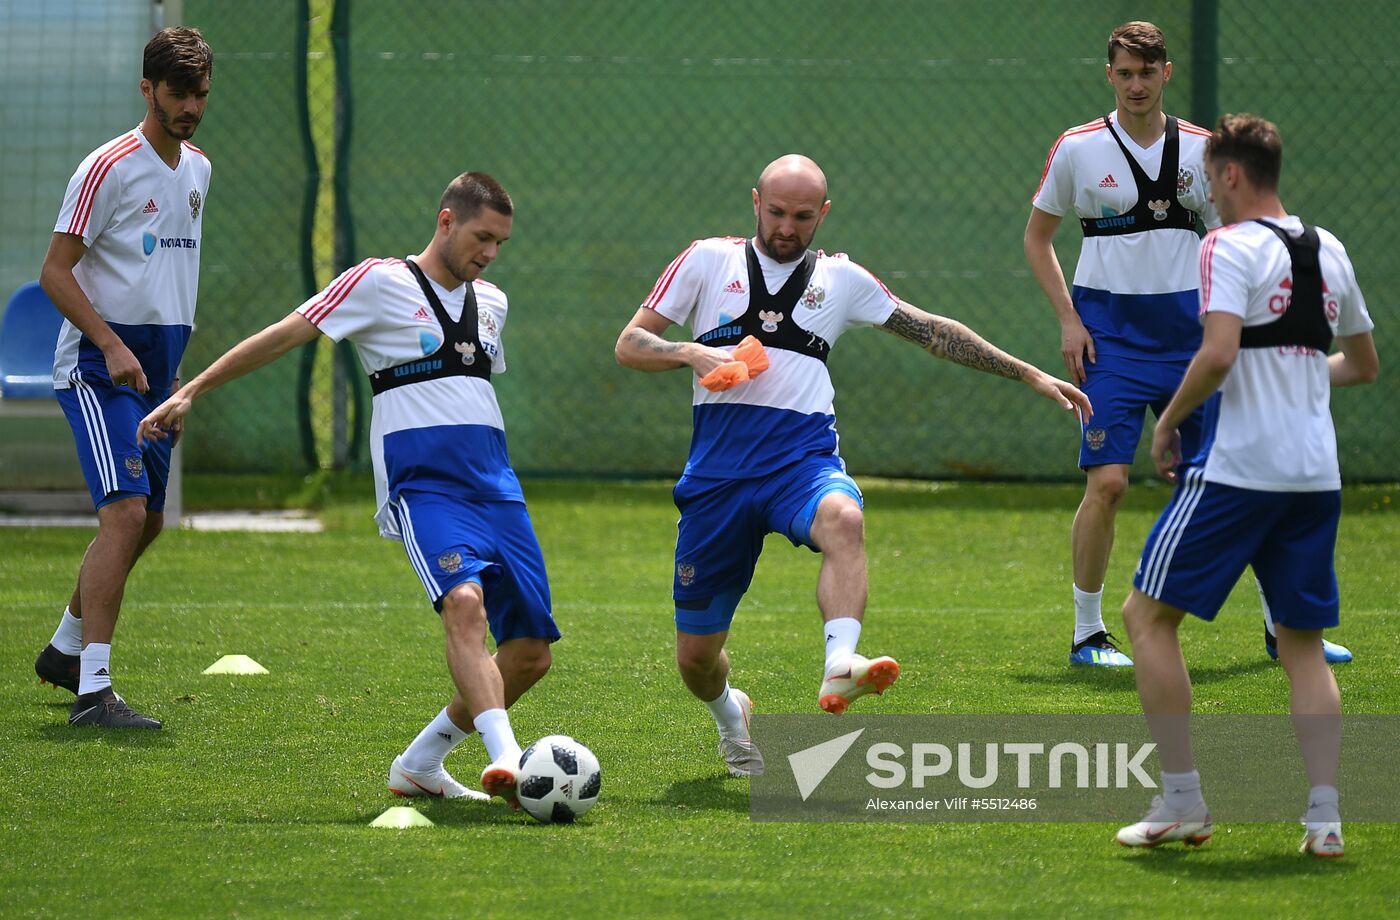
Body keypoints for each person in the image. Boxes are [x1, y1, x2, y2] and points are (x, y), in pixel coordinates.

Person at [615, 154, 1092, 776]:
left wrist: (1027, 371)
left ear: (824, 214)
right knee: (696, 660)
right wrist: (691, 353)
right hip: (718, 478)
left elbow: (930, 330)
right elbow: (629, 343)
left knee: (844, 517)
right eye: (777, 212)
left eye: (803, 216)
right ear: (755, 201)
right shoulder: (708, 259)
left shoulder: (839, 280)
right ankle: (733, 716)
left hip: (800, 461)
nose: (787, 227)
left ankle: (840, 665)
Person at [138, 173, 555, 807]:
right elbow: (284, 334)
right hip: (425, 489)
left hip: (498, 490)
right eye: (482, 237)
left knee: (528, 655)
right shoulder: (378, 282)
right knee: (464, 606)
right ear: (446, 221)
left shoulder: (492, 300)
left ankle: (422, 762)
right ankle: (509, 759)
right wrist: (191, 389)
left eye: (501, 242)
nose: (491, 253)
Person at [1024, 21, 1352, 667]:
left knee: (1241, 478)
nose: (1136, 84)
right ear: (1108, 74)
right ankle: (1088, 634)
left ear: (1167, 73)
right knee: (1109, 483)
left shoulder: (1205, 150)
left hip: (1191, 340)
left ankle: (1281, 630)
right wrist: (1069, 321)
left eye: (1148, 72)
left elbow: (1246, 235)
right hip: (1109, 339)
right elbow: (1038, 237)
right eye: (1125, 73)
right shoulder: (1077, 148)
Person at [1115, 114, 1377, 856]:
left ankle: (1183, 801)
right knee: (1302, 642)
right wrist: (1292, 373)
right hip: (1314, 477)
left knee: (1145, 617)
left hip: (1238, 471)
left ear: (1229, 175)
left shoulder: (1224, 245)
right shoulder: (1331, 248)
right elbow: (1361, 366)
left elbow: (1220, 352)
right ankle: (1324, 821)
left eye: (1207, 175)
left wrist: (1168, 422)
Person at [33, 27, 214, 729]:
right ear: (148, 90)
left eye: (200, 94)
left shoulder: (198, 169)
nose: (190, 107)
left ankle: (64, 647)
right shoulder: (106, 167)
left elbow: (167, 278)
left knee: (151, 521)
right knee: (125, 513)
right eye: (177, 93)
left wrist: (178, 379)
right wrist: (109, 345)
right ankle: (93, 692)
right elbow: (54, 272)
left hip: (158, 373)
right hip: (96, 366)